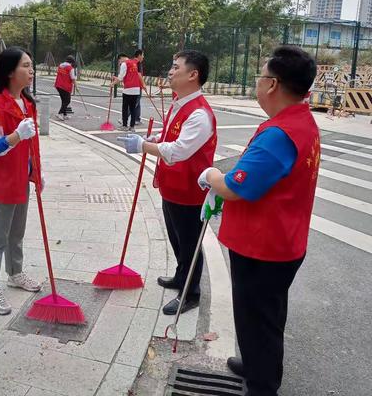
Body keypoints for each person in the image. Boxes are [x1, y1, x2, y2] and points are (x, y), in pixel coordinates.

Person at [198, 46, 318, 396]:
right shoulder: (300, 120)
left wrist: (210, 176)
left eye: (260, 75)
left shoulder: (280, 134)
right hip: (281, 239)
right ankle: (255, 364)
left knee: (258, 319)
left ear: (273, 84)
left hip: (264, 246)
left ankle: (262, 385)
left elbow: (239, 187)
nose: (257, 82)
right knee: (265, 316)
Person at [117, 50, 217, 315]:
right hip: (172, 187)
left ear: (193, 75)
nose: (170, 72)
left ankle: (190, 292)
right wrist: (152, 137)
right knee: (176, 238)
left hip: (189, 192)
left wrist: (144, 146)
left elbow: (180, 150)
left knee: (189, 243)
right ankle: (180, 276)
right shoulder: (180, 103)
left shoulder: (200, 114)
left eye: (176, 67)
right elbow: (170, 134)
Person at [0, 47, 43, 315]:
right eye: (26, 65)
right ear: (11, 72)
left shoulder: (28, 103)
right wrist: (16, 135)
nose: (31, 70)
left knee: (16, 232)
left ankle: (15, 272)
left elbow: (32, 144)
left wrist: (37, 172)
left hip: (20, 178)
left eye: (31, 65)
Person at [112, 53, 145, 132]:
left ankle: (124, 125)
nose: (119, 63)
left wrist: (112, 83)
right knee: (133, 109)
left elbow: (121, 77)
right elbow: (135, 75)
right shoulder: (135, 62)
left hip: (128, 89)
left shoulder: (124, 64)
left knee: (125, 108)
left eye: (119, 61)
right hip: (136, 89)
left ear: (121, 58)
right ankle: (132, 126)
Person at [54, 55, 77, 121]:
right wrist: (76, 87)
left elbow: (62, 75)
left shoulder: (60, 66)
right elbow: (73, 78)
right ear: (72, 62)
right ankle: (59, 113)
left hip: (58, 85)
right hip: (65, 87)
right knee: (67, 101)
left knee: (64, 100)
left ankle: (65, 115)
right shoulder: (70, 68)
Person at [133, 49, 145, 125]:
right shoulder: (138, 63)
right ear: (139, 55)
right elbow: (139, 74)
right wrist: (143, 84)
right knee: (135, 102)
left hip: (132, 85)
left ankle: (137, 119)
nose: (143, 57)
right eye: (143, 55)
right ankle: (124, 118)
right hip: (137, 85)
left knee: (138, 103)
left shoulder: (131, 62)